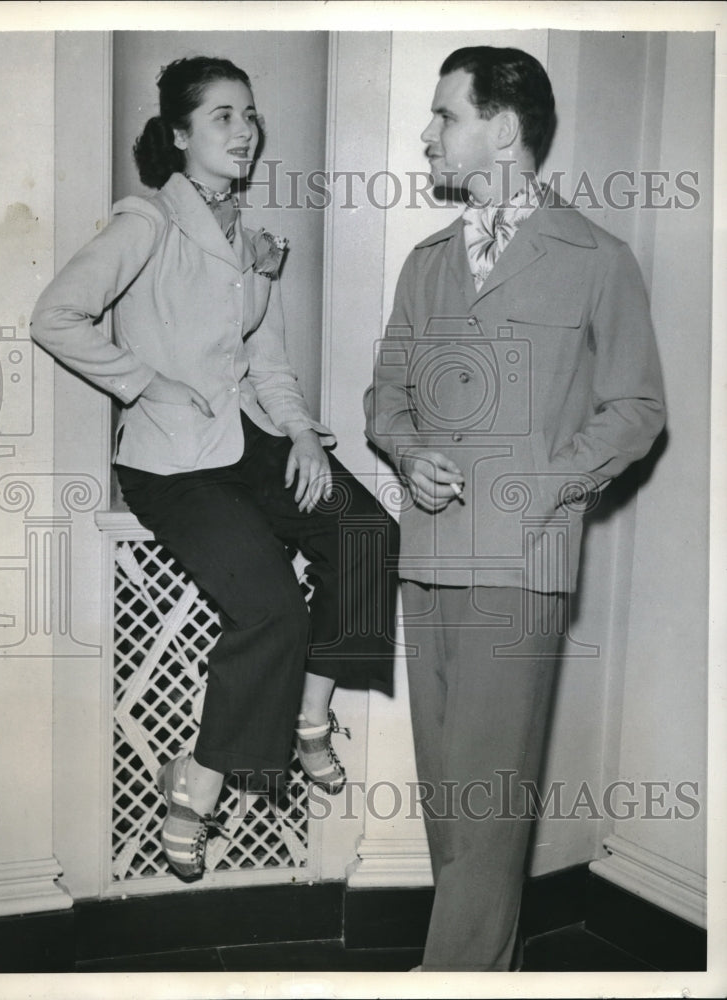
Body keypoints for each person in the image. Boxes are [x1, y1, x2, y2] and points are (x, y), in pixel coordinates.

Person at [31, 55, 398, 882]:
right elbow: (55, 315)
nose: (245, 131)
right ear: (179, 135)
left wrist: (303, 434)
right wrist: (145, 383)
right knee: (269, 607)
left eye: (249, 115)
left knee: (369, 536)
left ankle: (309, 720)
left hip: (252, 443)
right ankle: (194, 789)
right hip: (174, 466)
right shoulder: (146, 221)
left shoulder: (244, 234)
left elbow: (263, 360)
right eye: (224, 116)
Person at [364, 46, 665, 971]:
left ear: (501, 128)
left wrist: (543, 484)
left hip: (524, 556)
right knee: (451, 792)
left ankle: (451, 976)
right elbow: (385, 399)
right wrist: (409, 457)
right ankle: (485, 967)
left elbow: (637, 409)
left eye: (443, 116)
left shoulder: (595, 259)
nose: (427, 134)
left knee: (489, 796)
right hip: (428, 557)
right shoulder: (426, 262)